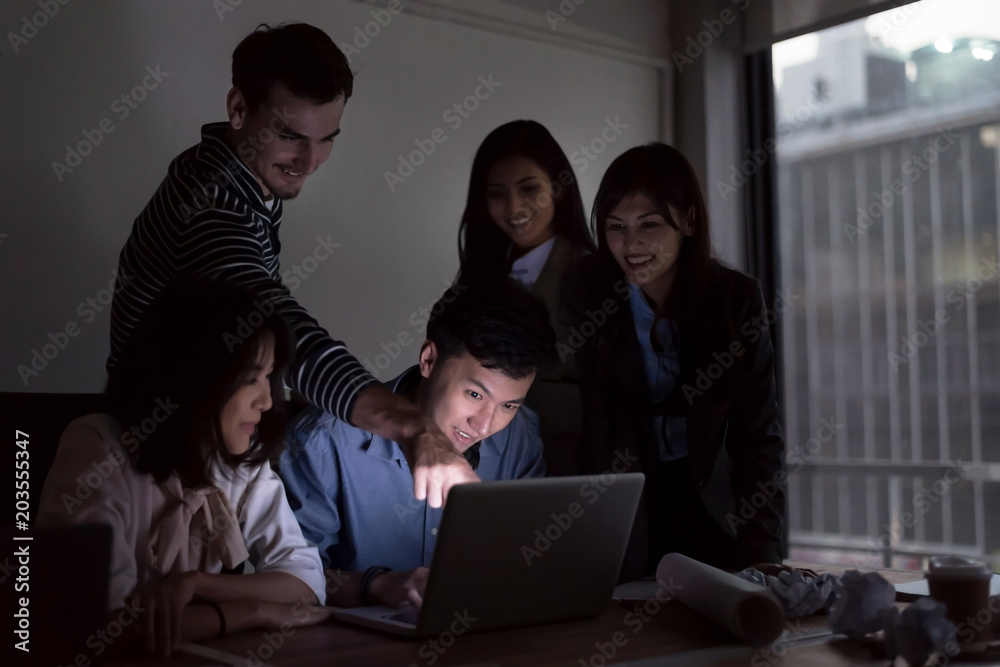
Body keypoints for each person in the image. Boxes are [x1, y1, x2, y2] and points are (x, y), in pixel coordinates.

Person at [107, 22, 476, 509]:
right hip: (151, 462)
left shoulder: (234, 177)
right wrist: (411, 425)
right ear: (238, 108)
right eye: (290, 135)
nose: (310, 160)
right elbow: (277, 325)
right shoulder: (212, 204)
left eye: (326, 139)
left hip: (203, 451)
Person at [37, 276, 330, 657]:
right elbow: (103, 628)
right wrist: (253, 611)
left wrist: (197, 584)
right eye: (250, 378)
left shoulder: (239, 460)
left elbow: (307, 583)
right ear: (194, 377)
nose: (267, 401)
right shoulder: (98, 445)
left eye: (269, 377)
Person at [560, 143, 786, 580]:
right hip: (626, 500)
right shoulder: (587, 287)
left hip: (713, 504)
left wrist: (764, 553)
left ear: (688, 220)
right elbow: (592, 416)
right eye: (615, 227)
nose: (631, 245)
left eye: (649, 225)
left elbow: (758, 437)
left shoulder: (735, 299)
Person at [278, 278, 556, 608]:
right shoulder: (322, 442)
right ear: (428, 359)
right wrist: (378, 585)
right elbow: (288, 579)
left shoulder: (521, 436)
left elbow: (527, 558)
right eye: (474, 394)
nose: (484, 425)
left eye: (509, 405)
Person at [457, 120, 595, 475]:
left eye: (529, 188)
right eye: (497, 194)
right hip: (478, 455)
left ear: (558, 188)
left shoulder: (591, 275)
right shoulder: (478, 274)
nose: (514, 207)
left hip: (566, 458)